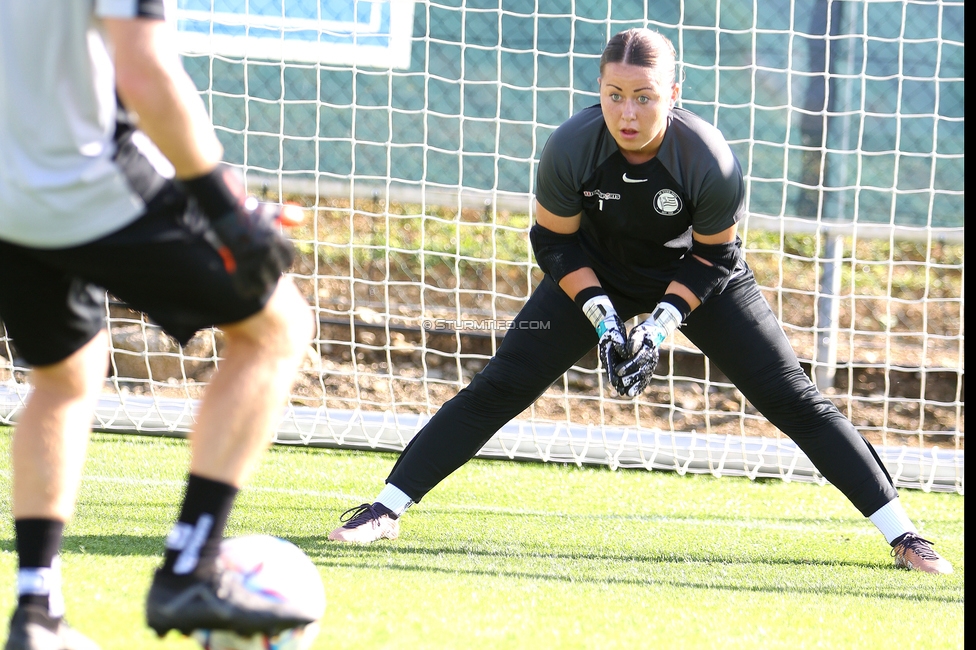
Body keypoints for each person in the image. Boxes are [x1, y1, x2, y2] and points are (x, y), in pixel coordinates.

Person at [326, 27, 953, 576]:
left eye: (645, 96)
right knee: (500, 384)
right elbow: (552, 240)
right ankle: (385, 508)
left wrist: (657, 327)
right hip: (595, 276)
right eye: (615, 95)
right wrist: (602, 317)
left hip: (698, 282)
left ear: (673, 96)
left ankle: (903, 534)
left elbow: (717, 256)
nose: (628, 113)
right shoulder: (571, 148)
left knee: (793, 396)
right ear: (599, 90)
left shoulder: (710, 161)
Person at [0, 2, 318, 649]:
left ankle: (37, 612)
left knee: (66, 375)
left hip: (7, 195)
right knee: (277, 327)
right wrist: (229, 214)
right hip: (81, 180)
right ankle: (190, 567)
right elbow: (144, 70)